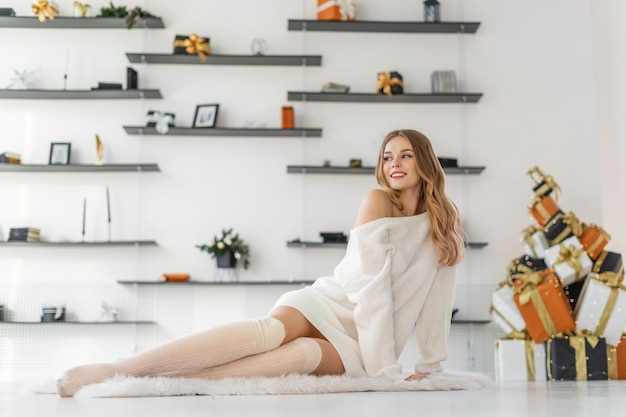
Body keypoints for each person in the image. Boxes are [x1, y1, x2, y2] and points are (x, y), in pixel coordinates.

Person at [56, 128, 465, 397]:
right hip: (333, 302)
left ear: (424, 163)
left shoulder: (444, 223)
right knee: (270, 331)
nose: (394, 164)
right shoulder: (376, 202)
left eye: (406, 155)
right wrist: (386, 373)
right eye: (388, 156)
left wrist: (430, 367)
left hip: (363, 340)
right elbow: (371, 292)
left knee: (303, 355)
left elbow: (436, 302)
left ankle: (173, 383)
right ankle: (115, 369)